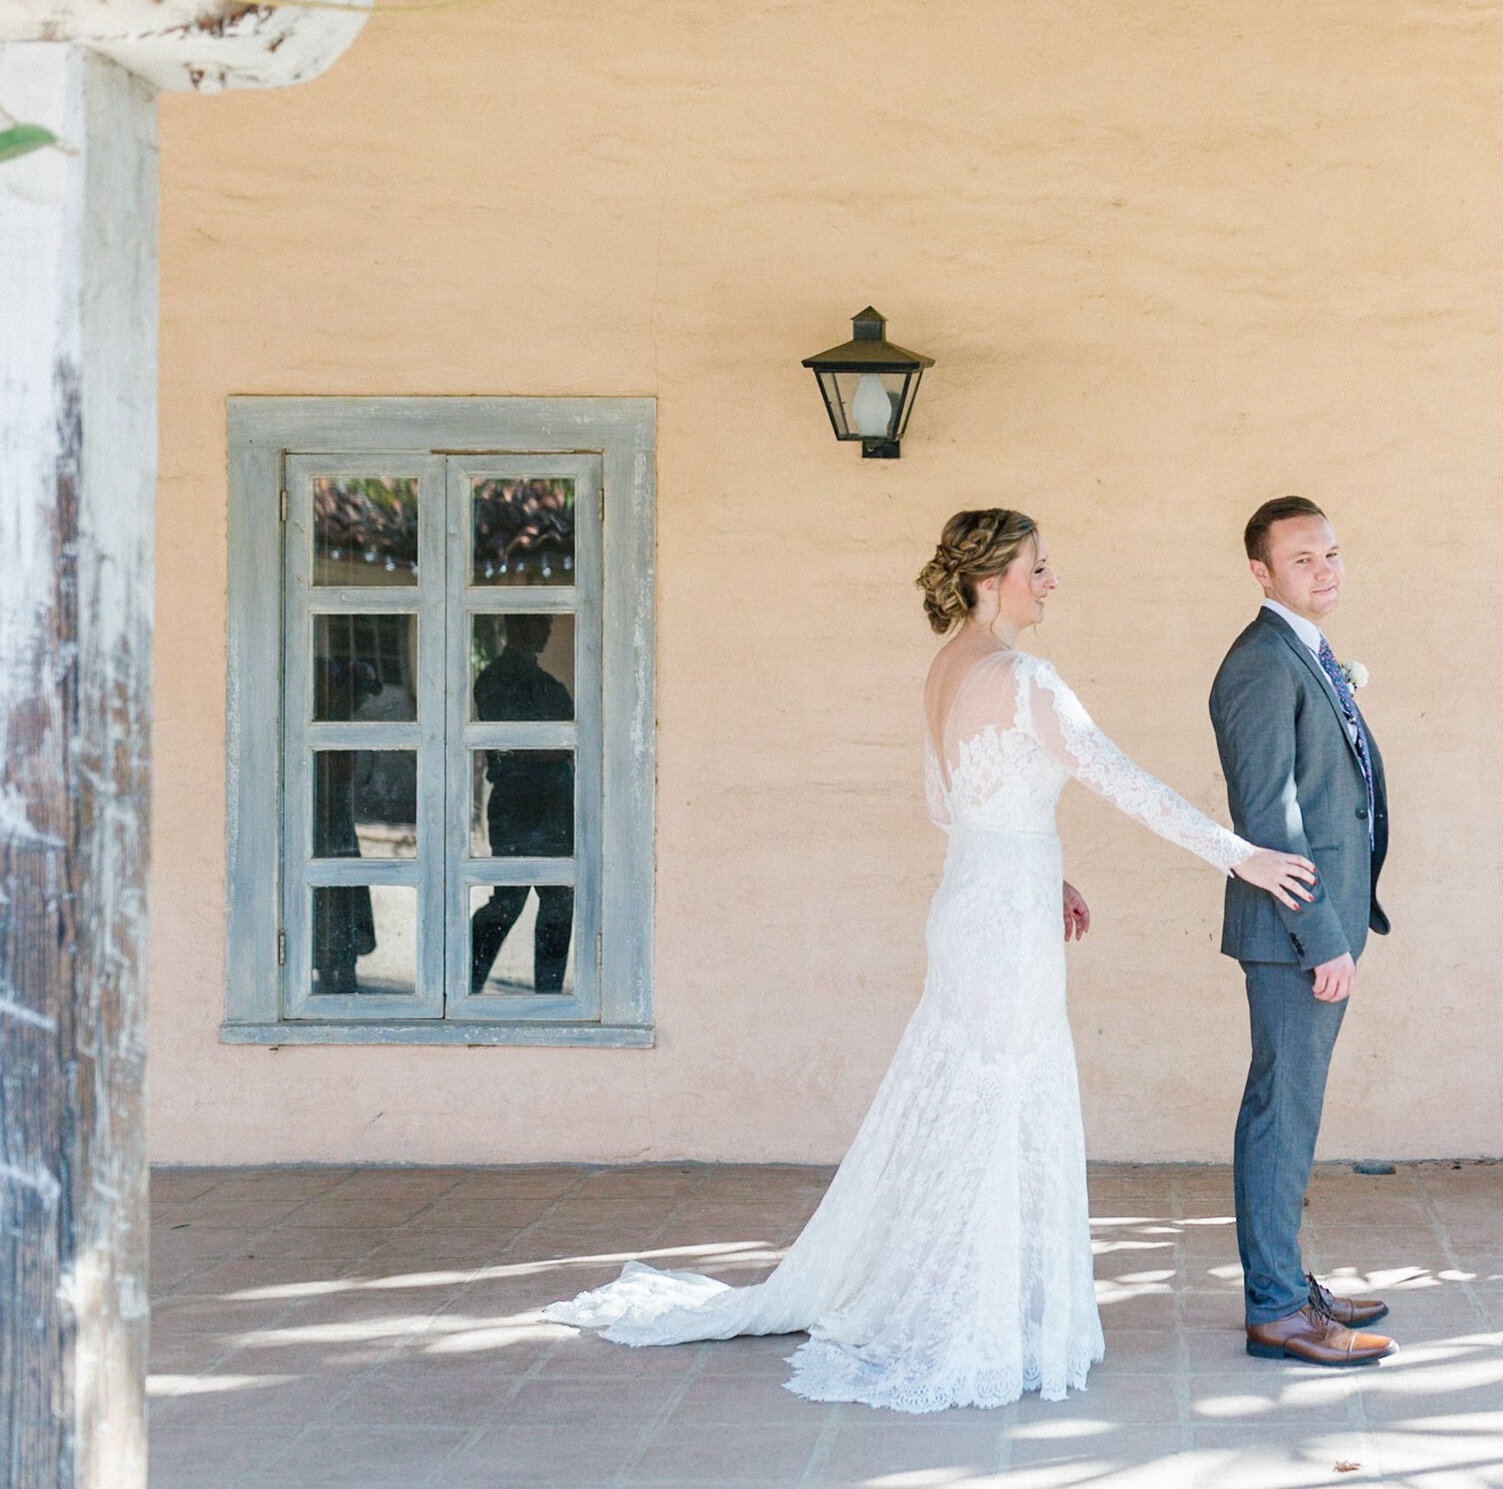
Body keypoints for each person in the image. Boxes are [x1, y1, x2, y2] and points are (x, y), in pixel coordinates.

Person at [545, 509, 1317, 1412]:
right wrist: (1244, 855)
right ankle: (980, 1322)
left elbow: (950, 806)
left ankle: (977, 1300)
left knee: (966, 1092)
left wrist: (1045, 871)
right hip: (1006, 918)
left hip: (969, 900)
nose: (1051, 581)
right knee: (1002, 1100)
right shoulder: (1027, 677)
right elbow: (1121, 780)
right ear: (994, 575)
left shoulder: (945, 665)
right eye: (1039, 565)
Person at [1209, 496, 1397, 1366]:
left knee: (1294, 1109)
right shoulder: (1259, 663)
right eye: (1303, 560)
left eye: (1332, 552)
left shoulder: (1306, 651)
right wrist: (1322, 935)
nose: (1326, 570)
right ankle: (1277, 1309)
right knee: (1280, 1114)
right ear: (1261, 572)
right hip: (1293, 931)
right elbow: (1271, 820)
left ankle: (1286, 1280)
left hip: (1319, 923)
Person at [468, 614, 576, 994]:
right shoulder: (499, 679)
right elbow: (514, 745)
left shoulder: (538, 682)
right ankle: (466, 980)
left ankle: (546, 993)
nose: (547, 631)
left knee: (556, 902)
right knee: (509, 901)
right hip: (521, 804)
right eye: (540, 624)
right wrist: (550, 752)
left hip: (551, 805)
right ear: (520, 628)